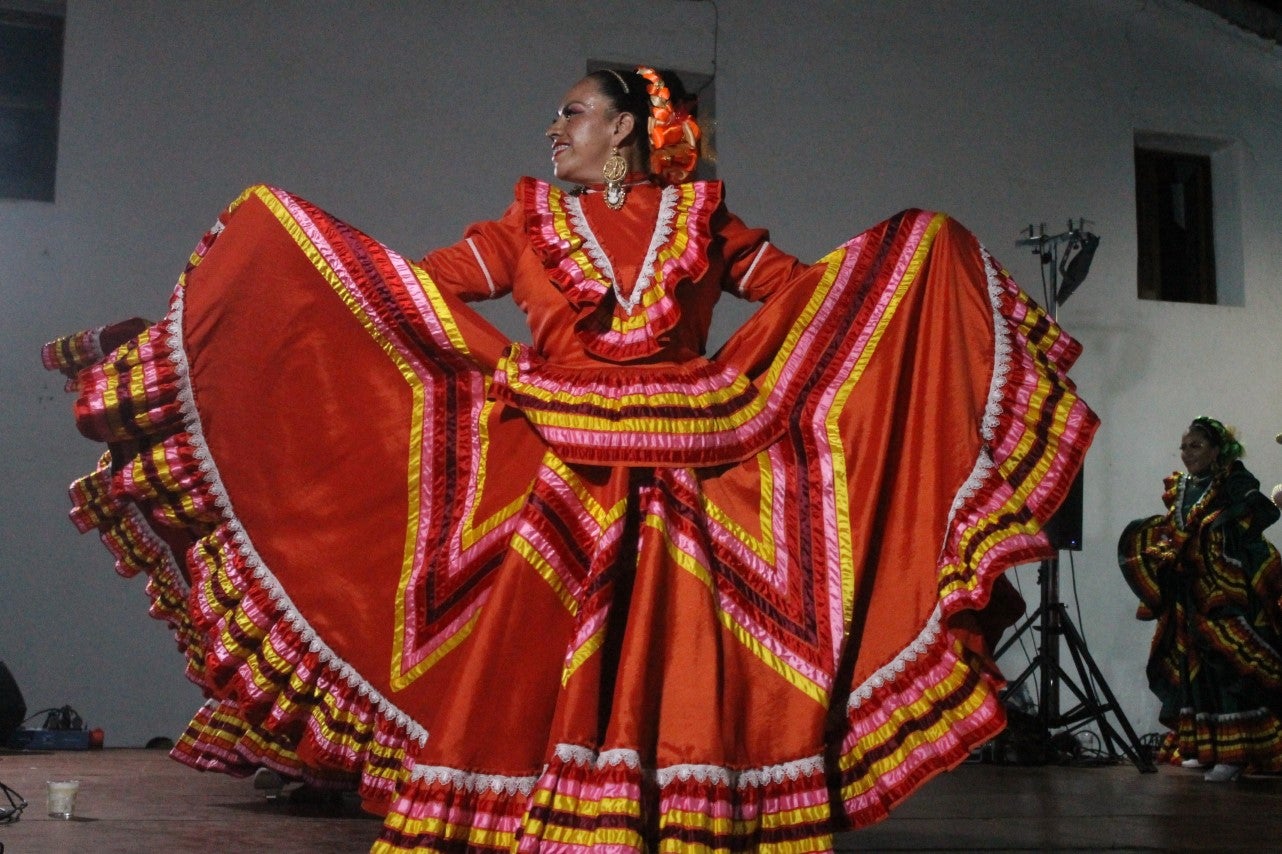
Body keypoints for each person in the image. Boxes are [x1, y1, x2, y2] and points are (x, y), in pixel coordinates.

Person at [43, 66, 1096, 851]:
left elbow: (804, 291)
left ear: (625, 127)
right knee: (519, 639)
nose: (555, 131)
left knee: (690, 640)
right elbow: (425, 284)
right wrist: (310, 285)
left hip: (692, 457)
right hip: (553, 450)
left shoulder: (703, 217)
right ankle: (539, 799)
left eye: (574, 113)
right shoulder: (527, 221)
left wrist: (906, 265)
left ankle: (677, 798)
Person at [1118, 417, 1282, 782]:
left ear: (1217, 450)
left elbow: (1260, 514)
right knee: (1194, 666)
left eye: (1196, 446)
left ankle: (1235, 754)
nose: (1187, 453)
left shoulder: (1233, 482)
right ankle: (1205, 747)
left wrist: (1219, 527)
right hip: (1188, 591)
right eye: (1184, 446)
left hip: (1225, 591)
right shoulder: (1181, 487)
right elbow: (1175, 531)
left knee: (1229, 666)